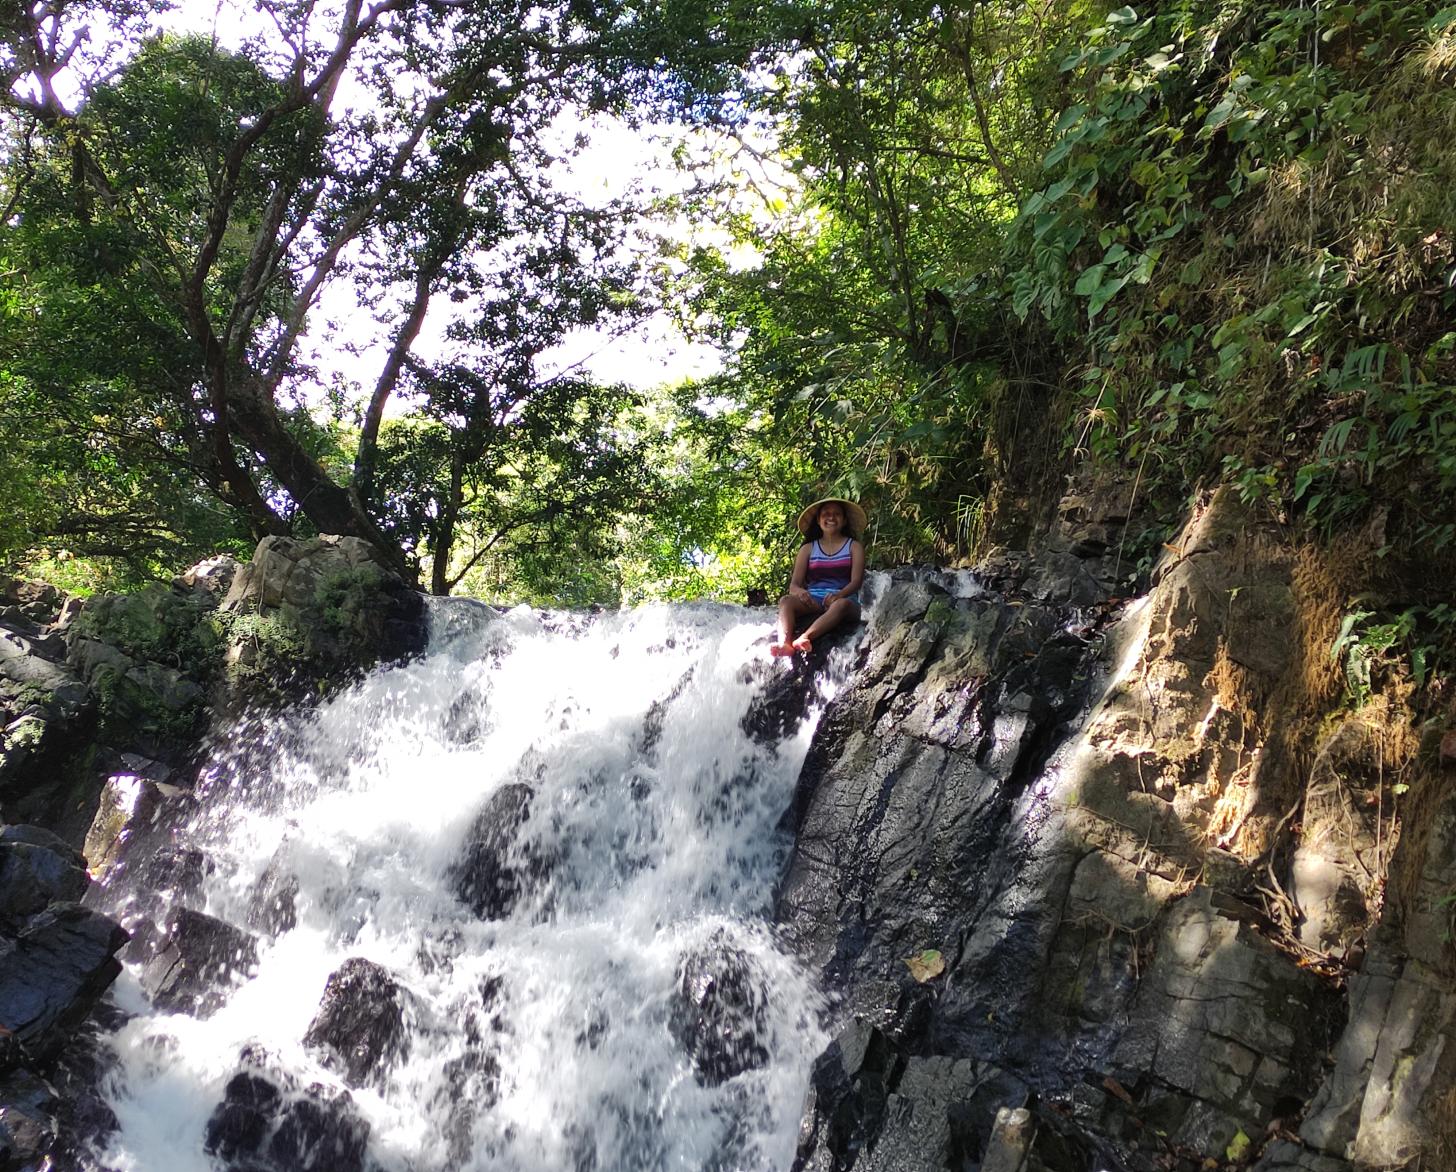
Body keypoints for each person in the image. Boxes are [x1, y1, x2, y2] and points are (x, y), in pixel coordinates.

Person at [769, 497, 867, 657]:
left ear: (843, 520)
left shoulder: (854, 547)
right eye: (826, 514)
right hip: (814, 600)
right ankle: (785, 644)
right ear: (818, 520)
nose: (831, 517)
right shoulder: (807, 549)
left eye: (837, 514)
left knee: (840, 605)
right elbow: (794, 585)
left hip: (846, 601)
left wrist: (838, 595)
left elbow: (856, 581)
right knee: (785, 601)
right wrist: (801, 593)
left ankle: (805, 637)